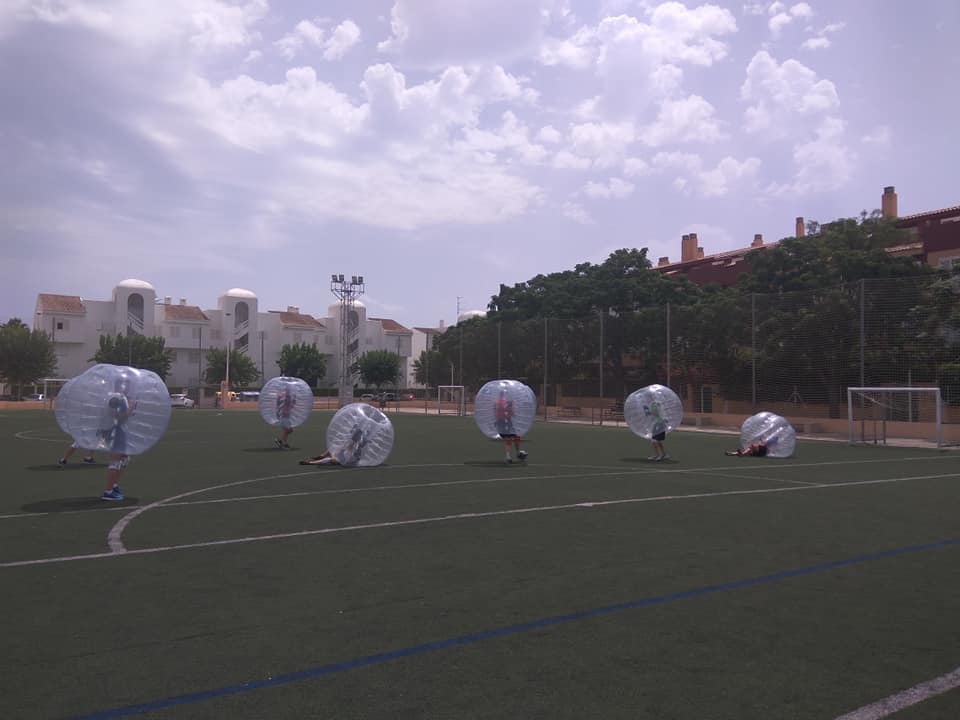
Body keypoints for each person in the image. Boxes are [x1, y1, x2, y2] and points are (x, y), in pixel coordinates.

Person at [99, 375, 135, 501]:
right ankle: (108, 491)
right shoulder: (117, 397)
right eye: (126, 384)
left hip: (114, 430)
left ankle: (113, 485)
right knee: (115, 461)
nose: (128, 387)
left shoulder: (113, 396)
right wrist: (131, 407)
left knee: (125, 458)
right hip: (115, 431)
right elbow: (120, 417)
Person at [495, 390, 528, 464]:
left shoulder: (498, 402)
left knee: (514, 437)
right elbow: (510, 412)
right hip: (505, 422)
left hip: (502, 422)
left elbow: (497, 412)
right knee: (510, 438)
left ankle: (515, 454)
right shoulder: (505, 402)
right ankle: (509, 456)